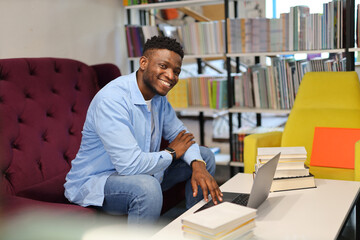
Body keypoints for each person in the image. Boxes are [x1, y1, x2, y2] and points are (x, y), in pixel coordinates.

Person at [64, 36, 223, 224]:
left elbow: (182, 136)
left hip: (143, 172)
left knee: (203, 157)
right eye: (163, 66)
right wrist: (171, 152)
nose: (171, 76)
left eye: (176, 71)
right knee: (148, 187)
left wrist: (198, 164)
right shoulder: (112, 100)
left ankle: (196, 227)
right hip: (99, 182)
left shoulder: (158, 98)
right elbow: (129, 165)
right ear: (143, 62)